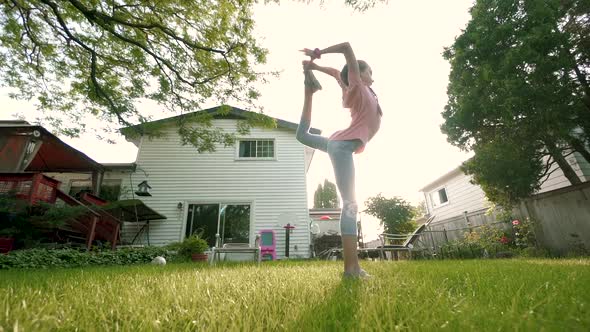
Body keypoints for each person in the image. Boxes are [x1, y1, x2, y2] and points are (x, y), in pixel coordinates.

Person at [297, 42, 382, 278]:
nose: (372, 76)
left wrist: (313, 67)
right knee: (350, 204)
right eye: (369, 72)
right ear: (358, 72)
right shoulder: (357, 85)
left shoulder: (352, 88)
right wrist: (318, 54)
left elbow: (336, 72)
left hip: (338, 143)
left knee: (301, 136)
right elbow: (346, 47)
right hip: (342, 147)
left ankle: (309, 91)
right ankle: (351, 270)